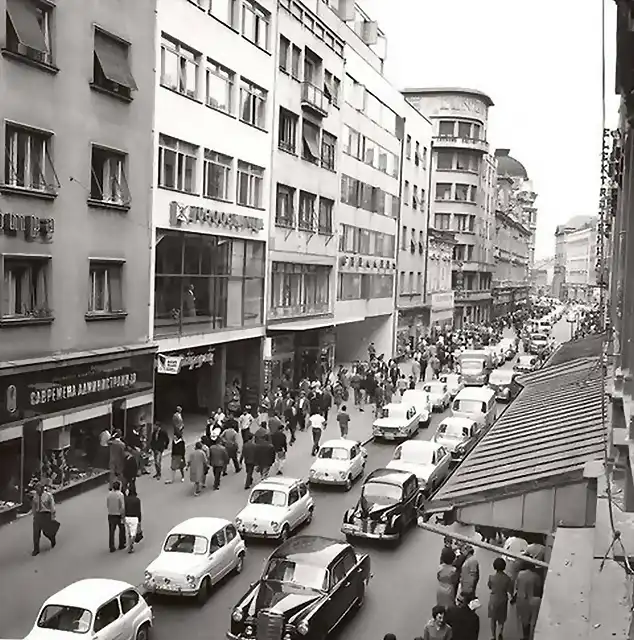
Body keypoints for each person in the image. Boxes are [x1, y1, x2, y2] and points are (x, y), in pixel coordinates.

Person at [514, 561, 542, 640]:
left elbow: (517, 587)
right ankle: (530, 636)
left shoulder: (520, 574)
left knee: (522, 619)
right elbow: (539, 588)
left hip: (521, 599)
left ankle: (523, 636)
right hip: (532, 599)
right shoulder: (536, 576)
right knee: (532, 621)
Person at [487, 557, 513, 640]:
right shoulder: (507, 578)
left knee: (493, 619)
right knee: (501, 618)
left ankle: (493, 636)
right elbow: (510, 590)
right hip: (503, 599)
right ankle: (500, 633)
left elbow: (490, 586)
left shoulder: (491, 577)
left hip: (493, 599)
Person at [31, 482, 57, 556]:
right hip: (38, 515)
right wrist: (34, 515)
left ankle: (52, 538)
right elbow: (34, 506)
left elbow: (52, 506)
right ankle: (36, 549)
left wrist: (53, 516)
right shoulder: (35, 496)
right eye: (36, 488)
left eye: (39, 488)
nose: (37, 490)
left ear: (42, 489)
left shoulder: (48, 495)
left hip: (46, 514)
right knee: (36, 532)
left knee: (46, 532)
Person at [106, 481, 126, 553]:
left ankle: (111, 546)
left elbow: (107, 504)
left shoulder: (109, 494)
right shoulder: (120, 494)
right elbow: (122, 506)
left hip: (111, 514)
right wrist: (123, 515)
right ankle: (122, 544)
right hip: (118, 515)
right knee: (122, 529)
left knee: (111, 531)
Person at [124, 487, 142, 553]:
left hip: (127, 517)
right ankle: (131, 545)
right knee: (133, 534)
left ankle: (130, 545)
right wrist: (139, 520)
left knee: (129, 532)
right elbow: (138, 511)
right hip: (134, 518)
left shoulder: (125, 499)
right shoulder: (137, 500)